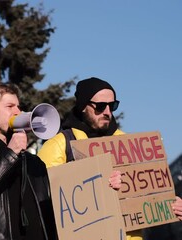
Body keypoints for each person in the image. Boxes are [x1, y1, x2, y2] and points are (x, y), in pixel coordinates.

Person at [37, 77, 182, 239]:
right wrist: (100, 187)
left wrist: (169, 204)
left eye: (112, 106)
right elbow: (44, 200)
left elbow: (147, 198)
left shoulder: (129, 144)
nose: (107, 112)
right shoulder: (59, 145)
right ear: (83, 106)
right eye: (100, 106)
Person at [0, 83, 58, 240]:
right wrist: (11, 153)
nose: (18, 111)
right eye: (10, 106)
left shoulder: (33, 162)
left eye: (18, 106)